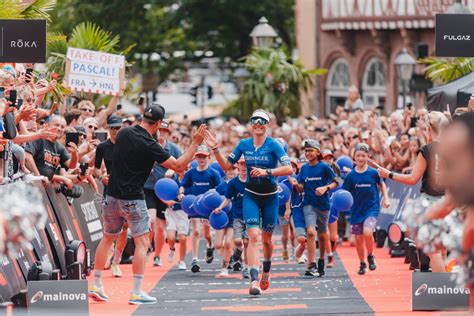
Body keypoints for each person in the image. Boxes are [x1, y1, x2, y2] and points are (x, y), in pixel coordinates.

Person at [89, 103, 207, 305]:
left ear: (143, 117)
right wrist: (195, 143)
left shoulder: (124, 133)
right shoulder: (150, 145)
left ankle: (96, 285)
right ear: (159, 123)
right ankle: (136, 292)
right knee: (142, 242)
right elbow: (179, 165)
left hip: (111, 196)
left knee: (107, 239)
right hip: (133, 198)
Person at [206, 109, 292, 295]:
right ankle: (254, 280)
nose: (258, 124)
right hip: (250, 195)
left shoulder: (274, 145)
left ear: (268, 125)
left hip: (270, 197)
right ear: (251, 125)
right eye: (255, 121)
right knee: (252, 236)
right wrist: (215, 150)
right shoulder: (244, 144)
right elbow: (227, 167)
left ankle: (266, 271)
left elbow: (289, 168)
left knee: (267, 241)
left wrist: (267, 172)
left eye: (262, 121)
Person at [377, 111, 449, 273]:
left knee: (435, 251)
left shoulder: (427, 150)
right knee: (442, 250)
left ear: (429, 128)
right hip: (448, 202)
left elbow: (412, 179)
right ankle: (444, 289)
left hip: (431, 203)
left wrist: (389, 174)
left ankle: (443, 290)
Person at [290, 140, 338, 277]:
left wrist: (325, 188)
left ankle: (321, 259)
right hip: (308, 204)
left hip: (323, 205)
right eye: (306, 151)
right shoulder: (304, 168)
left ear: (317, 152)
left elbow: (336, 182)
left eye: (310, 150)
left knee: (322, 235)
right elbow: (300, 188)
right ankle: (311, 264)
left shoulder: (324, 167)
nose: (307, 153)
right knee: (311, 232)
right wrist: (295, 184)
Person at [343, 143, 390, 275]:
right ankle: (362, 263)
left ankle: (370, 255)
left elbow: (382, 185)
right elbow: (345, 193)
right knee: (358, 239)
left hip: (372, 208)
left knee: (368, 233)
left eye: (363, 156)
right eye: (358, 155)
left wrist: (386, 198)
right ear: (354, 157)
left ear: (368, 157)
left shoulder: (373, 173)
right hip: (357, 210)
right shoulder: (351, 175)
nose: (361, 158)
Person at [143, 120, 182, 267]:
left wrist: (175, 170)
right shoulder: (149, 146)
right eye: (160, 130)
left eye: (165, 131)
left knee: (161, 226)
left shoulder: (174, 149)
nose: (162, 133)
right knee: (150, 220)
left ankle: (157, 255)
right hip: (149, 188)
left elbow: (183, 164)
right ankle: (147, 246)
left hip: (166, 190)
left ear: (168, 133)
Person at [179, 145, 221, 273]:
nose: (201, 159)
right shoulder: (191, 173)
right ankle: (195, 259)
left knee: (207, 234)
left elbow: (220, 189)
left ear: (208, 157)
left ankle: (210, 245)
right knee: (196, 232)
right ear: (195, 157)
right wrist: (181, 193)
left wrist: (213, 194)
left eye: (204, 156)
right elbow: (183, 185)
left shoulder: (213, 173)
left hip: (208, 207)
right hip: (194, 205)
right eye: (199, 156)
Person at [94, 115, 125, 277]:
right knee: (109, 229)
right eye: (112, 128)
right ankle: (107, 257)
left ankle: (116, 262)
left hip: (128, 191)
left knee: (125, 229)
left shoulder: (129, 145)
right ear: (108, 129)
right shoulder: (102, 147)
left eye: (118, 128)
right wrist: (101, 177)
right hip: (110, 191)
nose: (115, 131)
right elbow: (96, 168)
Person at [214, 165, 238, 277]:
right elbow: (214, 201)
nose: (231, 171)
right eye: (229, 169)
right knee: (218, 245)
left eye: (234, 169)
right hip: (222, 217)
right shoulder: (221, 186)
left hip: (234, 217)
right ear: (225, 171)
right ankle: (233, 253)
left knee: (228, 242)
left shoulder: (240, 184)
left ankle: (224, 267)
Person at [164, 170, 189, 271]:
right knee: (171, 237)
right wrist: (167, 201)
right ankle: (172, 248)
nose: (184, 170)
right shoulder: (171, 178)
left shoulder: (190, 179)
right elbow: (161, 193)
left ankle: (182, 261)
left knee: (183, 238)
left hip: (183, 213)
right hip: (171, 212)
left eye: (186, 168)